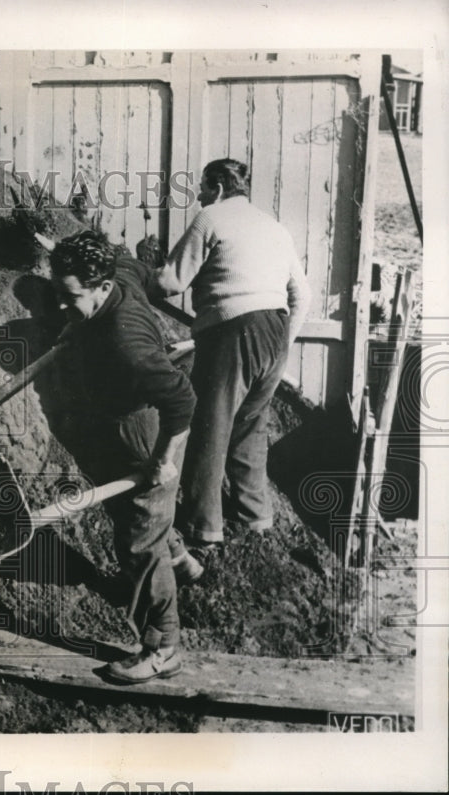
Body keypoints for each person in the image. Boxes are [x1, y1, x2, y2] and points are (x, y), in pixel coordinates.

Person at [48, 230, 197, 683]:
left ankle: (163, 646)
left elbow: (182, 403)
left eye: (70, 296)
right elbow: (124, 255)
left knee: (137, 539)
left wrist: (162, 459)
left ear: (100, 287)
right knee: (141, 518)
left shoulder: (127, 344)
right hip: (118, 414)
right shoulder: (123, 274)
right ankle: (182, 560)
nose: (60, 304)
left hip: (145, 426)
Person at [154, 158, 310, 555]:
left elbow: (171, 282)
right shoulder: (274, 227)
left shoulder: (212, 217)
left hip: (232, 331)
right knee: (250, 425)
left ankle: (202, 528)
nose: (201, 197)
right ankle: (254, 516)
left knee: (210, 424)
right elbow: (303, 296)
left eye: (204, 188)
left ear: (219, 188)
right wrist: (283, 343)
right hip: (275, 330)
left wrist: (144, 274)